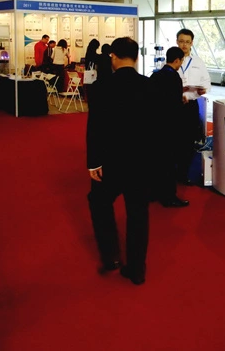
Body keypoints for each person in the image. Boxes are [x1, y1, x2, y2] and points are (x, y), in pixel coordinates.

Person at [86, 37, 152, 285]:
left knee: (99, 202)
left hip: (110, 161)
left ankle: (111, 255)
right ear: (136, 57)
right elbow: (156, 129)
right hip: (140, 162)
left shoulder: (101, 86)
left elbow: (94, 128)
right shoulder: (148, 86)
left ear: (113, 56)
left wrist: (93, 162)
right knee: (138, 213)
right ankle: (137, 268)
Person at [149, 46, 189, 208]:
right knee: (169, 161)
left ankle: (153, 192)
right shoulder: (174, 77)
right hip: (169, 126)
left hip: (155, 124)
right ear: (177, 60)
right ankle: (168, 196)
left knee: (156, 160)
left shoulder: (155, 75)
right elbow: (174, 105)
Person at [175, 28, 211, 185]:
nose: (184, 45)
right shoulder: (170, 61)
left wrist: (203, 90)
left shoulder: (198, 62)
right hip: (174, 106)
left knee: (189, 140)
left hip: (191, 106)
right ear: (177, 42)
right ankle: (172, 173)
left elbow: (207, 82)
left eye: (187, 42)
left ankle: (183, 174)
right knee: (174, 140)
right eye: (181, 41)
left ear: (192, 43)